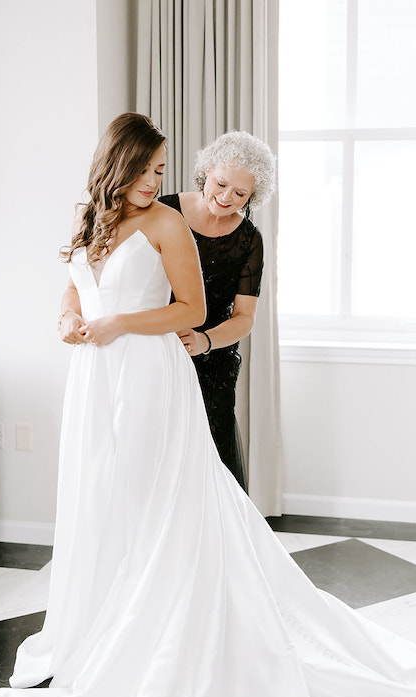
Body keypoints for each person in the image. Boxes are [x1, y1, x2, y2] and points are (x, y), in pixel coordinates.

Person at [0, 113, 416, 697]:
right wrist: (69, 324)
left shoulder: (188, 231)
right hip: (95, 384)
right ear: (123, 167)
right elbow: (73, 296)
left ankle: (172, 637)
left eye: (233, 191)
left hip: (154, 374)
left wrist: (127, 330)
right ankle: (101, 632)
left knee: (176, 504)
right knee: (105, 505)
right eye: (158, 172)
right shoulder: (99, 219)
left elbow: (204, 312)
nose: (171, 186)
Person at [160, 130, 275, 490]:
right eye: (221, 184)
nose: (226, 197)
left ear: (253, 195)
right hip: (157, 349)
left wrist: (204, 341)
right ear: (206, 171)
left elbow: (244, 318)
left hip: (213, 361)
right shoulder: (164, 210)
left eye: (240, 194)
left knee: (211, 462)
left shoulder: (249, 240)